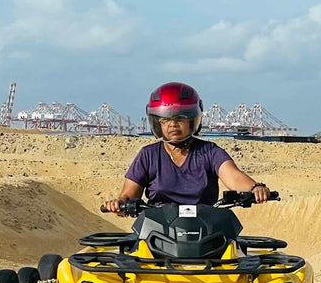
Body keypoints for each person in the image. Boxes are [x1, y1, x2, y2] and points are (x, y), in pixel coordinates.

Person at [103, 82, 273, 212]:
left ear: (193, 120)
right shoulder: (148, 155)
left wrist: (255, 188)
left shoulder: (210, 152)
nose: (172, 125)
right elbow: (128, 196)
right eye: (165, 120)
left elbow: (233, 177)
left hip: (207, 228)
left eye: (180, 118)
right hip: (156, 229)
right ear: (157, 123)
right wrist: (119, 204)